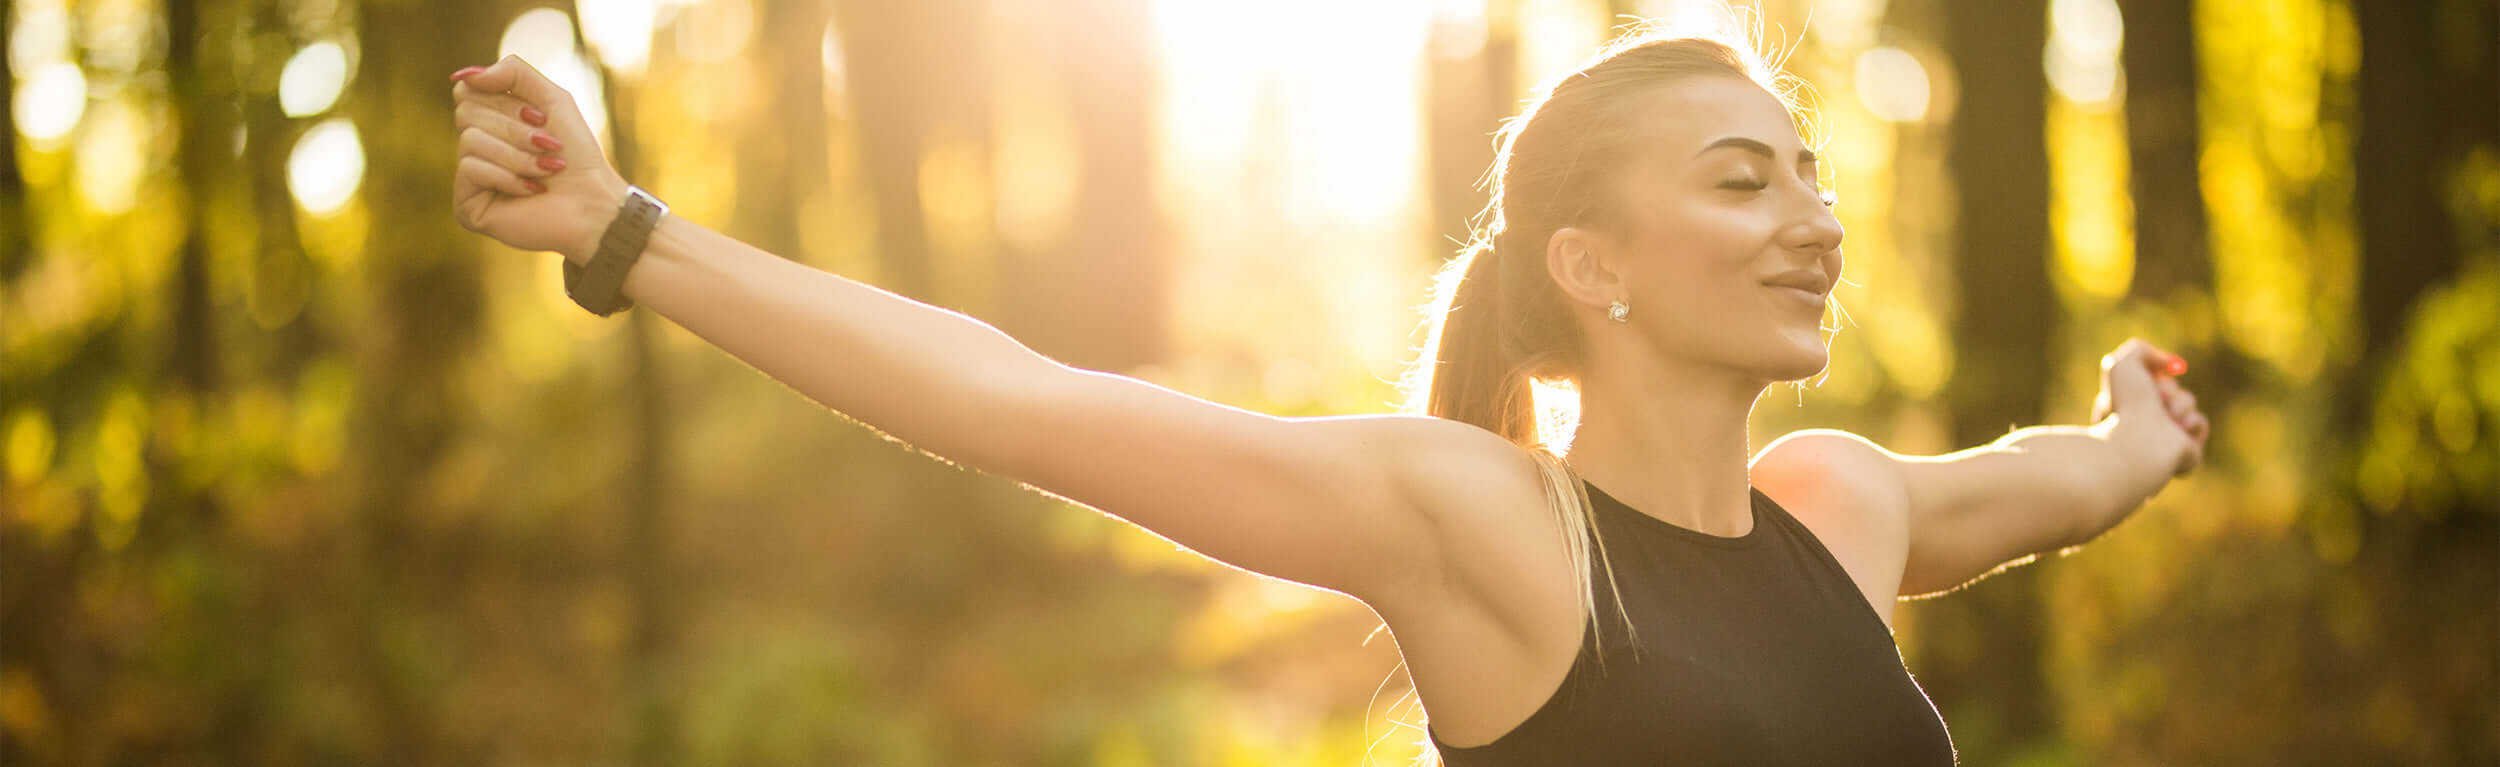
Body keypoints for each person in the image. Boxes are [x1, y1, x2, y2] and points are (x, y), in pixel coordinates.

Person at [447, 17, 2209, 765]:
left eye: (1810, 173)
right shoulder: (1489, 528)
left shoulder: (1845, 507)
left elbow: (2054, 478)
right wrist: (624, 234)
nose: (1815, 219)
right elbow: (1023, 401)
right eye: (1744, 181)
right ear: (1589, 268)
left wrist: (2143, 431)